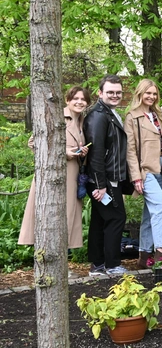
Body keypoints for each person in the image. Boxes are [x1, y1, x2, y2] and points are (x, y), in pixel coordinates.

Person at [19, 87, 91, 262]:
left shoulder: (83, 121)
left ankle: (60, 265)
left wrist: (82, 152)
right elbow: (34, 142)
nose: (79, 102)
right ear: (67, 100)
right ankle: (48, 264)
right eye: (75, 98)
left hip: (73, 176)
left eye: (83, 99)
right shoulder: (57, 116)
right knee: (52, 221)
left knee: (66, 221)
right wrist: (65, 152)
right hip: (54, 177)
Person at [84, 75, 130, 276]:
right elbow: (96, 153)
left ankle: (98, 264)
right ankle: (112, 264)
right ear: (100, 93)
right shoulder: (98, 116)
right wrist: (100, 184)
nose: (115, 95)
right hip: (103, 179)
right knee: (116, 218)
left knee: (100, 220)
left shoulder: (110, 114)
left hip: (108, 178)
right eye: (110, 92)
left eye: (118, 92)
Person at [124, 79, 162, 268]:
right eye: (147, 93)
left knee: (150, 214)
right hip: (145, 170)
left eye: (154, 94)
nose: (151, 97)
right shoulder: (132, 117)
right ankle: (161, 254)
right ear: (139, 94)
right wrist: (136, 176)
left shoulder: (157, 115)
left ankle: (143, 256)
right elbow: (130, 149)